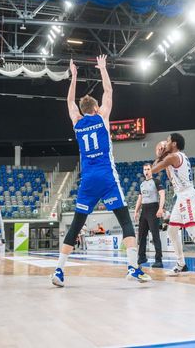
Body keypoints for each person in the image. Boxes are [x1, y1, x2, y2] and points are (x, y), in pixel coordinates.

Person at [51, 56, 150, 287]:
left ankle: (59, 270)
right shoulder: (102, 117)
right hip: (106, 177)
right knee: (125, 221)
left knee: (76, 225)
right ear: (95, 108)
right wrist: (103, 69)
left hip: (87, 180)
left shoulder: (77, 122)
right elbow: (108, 91)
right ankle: (133, 268)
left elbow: (69, 101)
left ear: (82, 110)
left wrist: (73, 76)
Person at [151, 133, 195, 279]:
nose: (166, 143)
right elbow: (167, 173)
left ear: (174, 144)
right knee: (172, 231)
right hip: (181, 196)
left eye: (168, 141)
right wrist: (163, 155)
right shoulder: (175, 157)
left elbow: (152, 170)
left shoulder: (173, 156)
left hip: (187, 196)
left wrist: (160, 154)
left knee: (192, 231)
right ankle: (181, 264)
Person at [134, 164, 165, 268]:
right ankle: (141, 256)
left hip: (153, 208)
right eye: (145, 169)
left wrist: (160, 208)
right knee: (141, 235)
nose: (146, 171)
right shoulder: (142, 184)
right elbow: (140, 198)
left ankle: (158, 260)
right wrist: (136, 211)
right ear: (143, 171)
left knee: (155, 235)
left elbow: (162, 194)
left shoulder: (156, 181)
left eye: (148, 169)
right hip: (144, 210)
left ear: (151, 170)